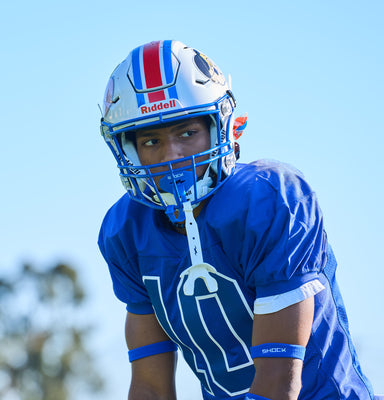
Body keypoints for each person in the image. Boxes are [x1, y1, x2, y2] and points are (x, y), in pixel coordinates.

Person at [98, 40, 376, 400]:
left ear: (220, 127)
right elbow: (150, 388)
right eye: (151, 140)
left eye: (187, 133)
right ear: (129, 150)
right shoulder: (127, 230)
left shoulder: (269, 200)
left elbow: (278, 383)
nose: (172, 154)